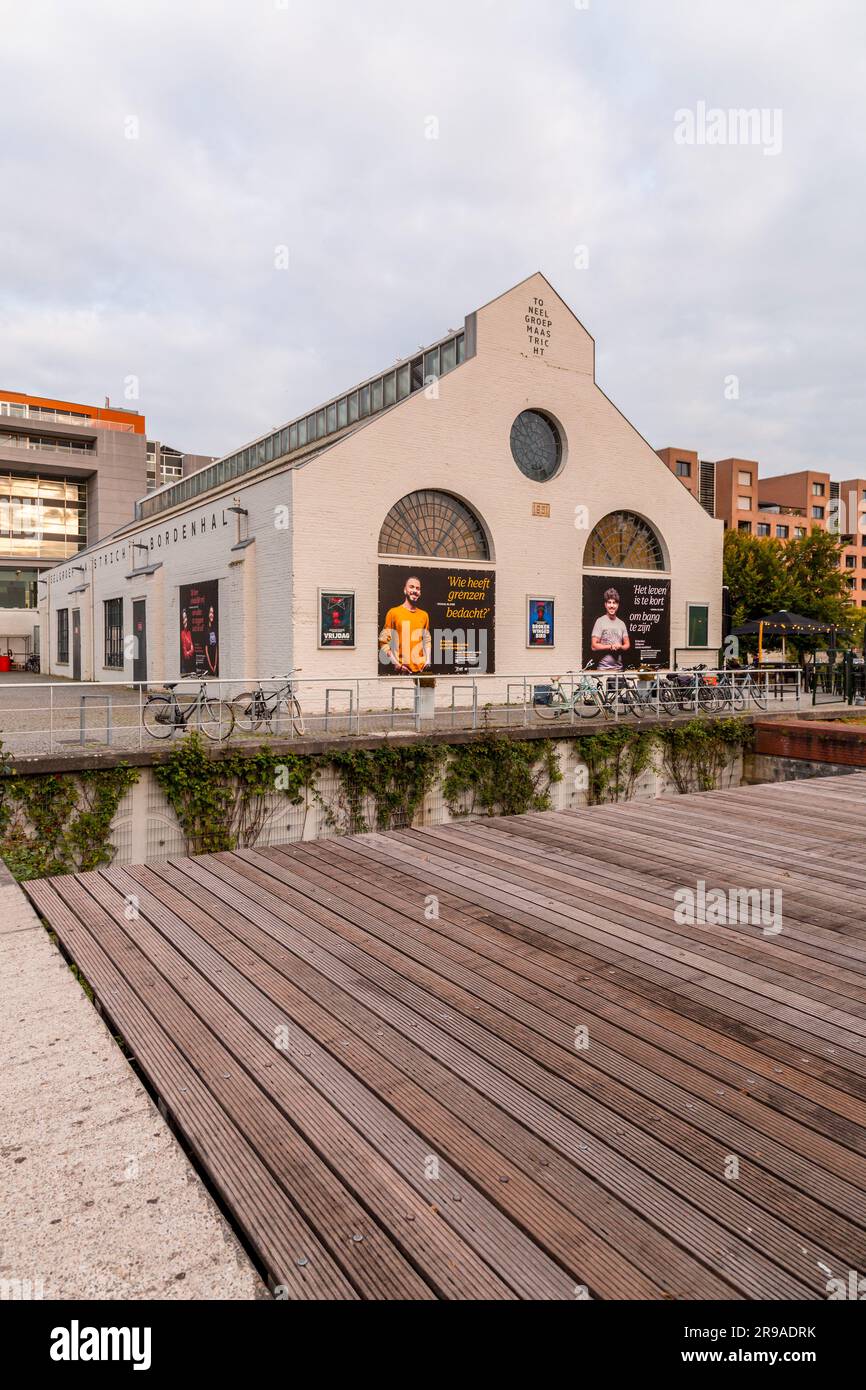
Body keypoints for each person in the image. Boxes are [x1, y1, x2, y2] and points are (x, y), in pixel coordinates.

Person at [379, 575, 431, 673]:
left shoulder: (424, 615)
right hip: (402, 672)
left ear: (420, 593)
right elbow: (383, 642)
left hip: (421, 671)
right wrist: (396, 664)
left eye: (418, 588)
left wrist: (428, 661)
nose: (415, 590)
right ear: (405, 590)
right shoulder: (393, 613)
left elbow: (427, 640)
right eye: (411, 587)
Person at [590, 587, 630, 670]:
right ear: (605, 604)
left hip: (619, 669)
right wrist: (610, 646)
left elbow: (627, 644)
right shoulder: (600, 621)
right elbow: (594, 646)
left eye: (614, 603)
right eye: (609, 602)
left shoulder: (621, 623)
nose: (612, 606)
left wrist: (620, 646)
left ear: (618, 605)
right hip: (603, 670)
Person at [206, 605, 218, 675]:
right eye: (210, 612)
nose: (212, 615)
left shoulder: (215, 628)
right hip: (209, 663)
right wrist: (211, 666)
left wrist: (215, 664)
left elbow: (216, 648)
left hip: (215, 663)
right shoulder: (206, 629)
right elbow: (206, 650)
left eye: (213, 613)